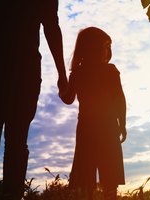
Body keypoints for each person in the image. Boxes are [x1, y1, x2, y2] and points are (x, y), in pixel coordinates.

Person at [0, 1, 67, 199]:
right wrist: (62, 75)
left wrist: (62, 74)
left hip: (0, 71)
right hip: (14, 72)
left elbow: (52, 27)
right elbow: (52, 27)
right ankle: (8, 193)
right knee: (9, 142)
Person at [60, 26, 127, 200]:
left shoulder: (77, 74)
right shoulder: (110, 71)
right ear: (94, 48)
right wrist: (123, 124)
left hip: (86, 127)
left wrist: (61, 88)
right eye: (106, 45)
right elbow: (120, 99)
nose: (108, 50)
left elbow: (68, 99)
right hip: (108, 126)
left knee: (85, 173)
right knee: (109, 173)